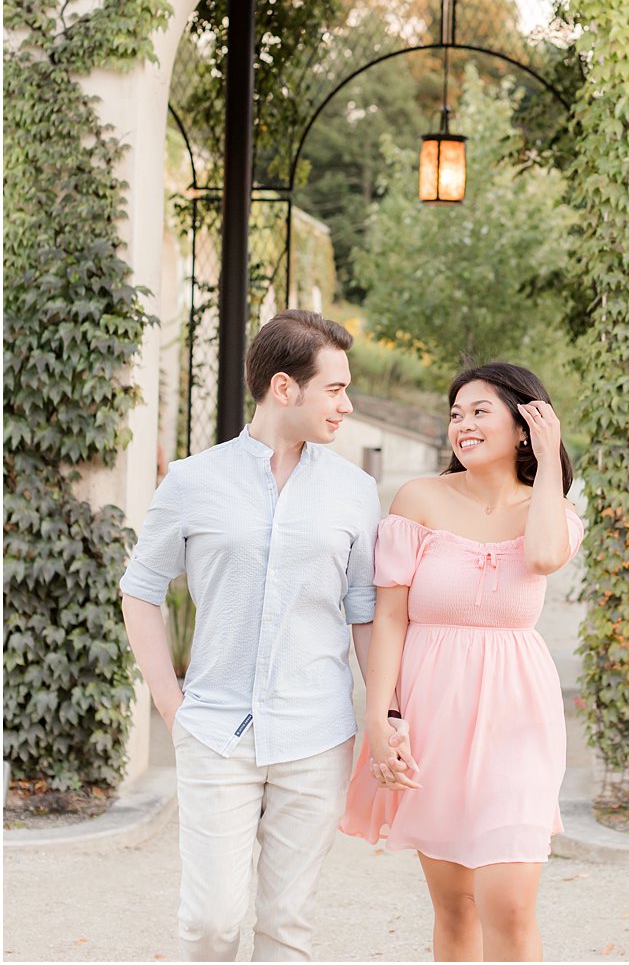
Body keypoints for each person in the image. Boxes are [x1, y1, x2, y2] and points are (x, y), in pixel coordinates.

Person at [121, 309, 408, 961]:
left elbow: (365, 611)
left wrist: (384, 713)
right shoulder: (193, 481)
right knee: (212, 920)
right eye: (335, 389)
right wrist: (172, 704)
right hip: (215, 729)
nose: (347, 404)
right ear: (285, 387)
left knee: (288, 922)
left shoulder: (355, 491)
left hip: (316, 733)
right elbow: (140, 590)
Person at [340, 361, 582, 963]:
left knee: (511, 904)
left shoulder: (547, 510)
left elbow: (548, 555)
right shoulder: (418, 498)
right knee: (455, 910)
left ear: (525, 425)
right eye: (455, 413)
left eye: (480, 412)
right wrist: (381, 717)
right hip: (433, 711)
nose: (463, 425)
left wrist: (550, 461)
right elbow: (389, 617)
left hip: (518, 715)